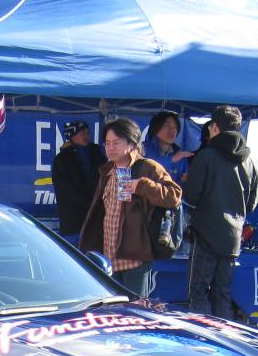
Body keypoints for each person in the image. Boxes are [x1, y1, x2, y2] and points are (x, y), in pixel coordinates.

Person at [78, 118, 182, 299]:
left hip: (135, 257)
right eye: (107, 143)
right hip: (109, 257)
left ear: (132, 143)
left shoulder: (147, 167)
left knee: (136, 310)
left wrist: (142, 186)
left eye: (116, 143)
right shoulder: (107, 171)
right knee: (113, 312)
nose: (110, 148)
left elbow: (174, 195)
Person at [180, 105, 258, 320]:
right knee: (222, 293)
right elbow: (251, 205)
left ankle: (203, 338)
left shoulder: (206, 156)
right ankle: (225, 340)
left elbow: (190, 198)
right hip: (233, 238)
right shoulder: (250, 161)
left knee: (198, 291)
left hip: (205, 234)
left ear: (214, 127)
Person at [51, 121, 105, 245]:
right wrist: (88, 204)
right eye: (82, 133)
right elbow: (64, 190)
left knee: (93, 258)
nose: (86, 136)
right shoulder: (62, 160)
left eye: (87, 133)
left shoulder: (98, 155)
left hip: (96, 220)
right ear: (72, 136)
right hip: (73, 220)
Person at [147, 111, 194, 184]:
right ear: (155, 128)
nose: (172, 130)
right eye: (167, 126)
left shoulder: (181, 156)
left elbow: (181, 187)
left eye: (175, 127)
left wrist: (186, 181)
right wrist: (171, 160)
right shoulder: (142, 149)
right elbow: (145, 172)